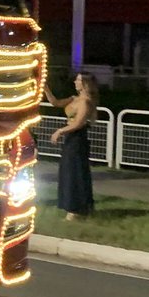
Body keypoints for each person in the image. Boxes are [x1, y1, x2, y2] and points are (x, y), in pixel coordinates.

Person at [45, 72, 98, 220]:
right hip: (71, 138)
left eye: (79, 80)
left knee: (74, 172)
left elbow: (78, 123)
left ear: (85, 84)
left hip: (78, 139)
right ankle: (77, 207)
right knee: (68, 171)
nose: (75, 81)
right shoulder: (74, 99)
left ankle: (75, 209)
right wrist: (45, 88)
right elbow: (55, 103)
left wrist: (59, 131)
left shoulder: (86, 102)